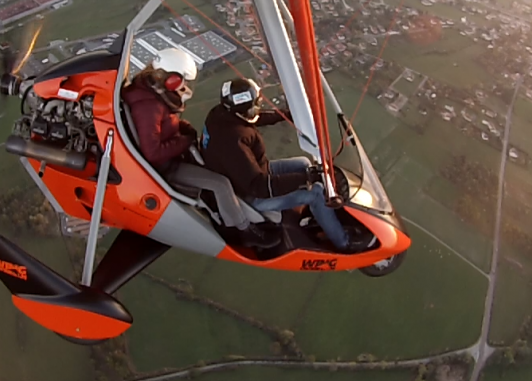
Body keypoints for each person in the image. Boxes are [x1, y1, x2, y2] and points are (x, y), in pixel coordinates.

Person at [122, 48, 278, 249]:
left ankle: (243, 215)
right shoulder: (149, 106)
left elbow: (162, 127)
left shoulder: (151, 93)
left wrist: (183, 128)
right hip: (166, 167)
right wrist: (185, 140)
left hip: (173, 157)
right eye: (183, 81)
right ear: (172, 81)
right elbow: (153, 153)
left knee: (221, 170)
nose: (185, 87)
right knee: (220, 183)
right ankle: (244, 231)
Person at [200, 77, 367, 253]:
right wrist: (307, 179)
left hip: (247, 175)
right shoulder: (234, 141)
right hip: (250, 197)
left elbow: (254, 118)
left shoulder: (222, 114)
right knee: (315, 193)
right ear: (245, 108)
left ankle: (319, 215)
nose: (258, 106)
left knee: (303, 163)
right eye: (255, 104)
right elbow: (260, 187)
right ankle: (344, 242)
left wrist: (285, 115)